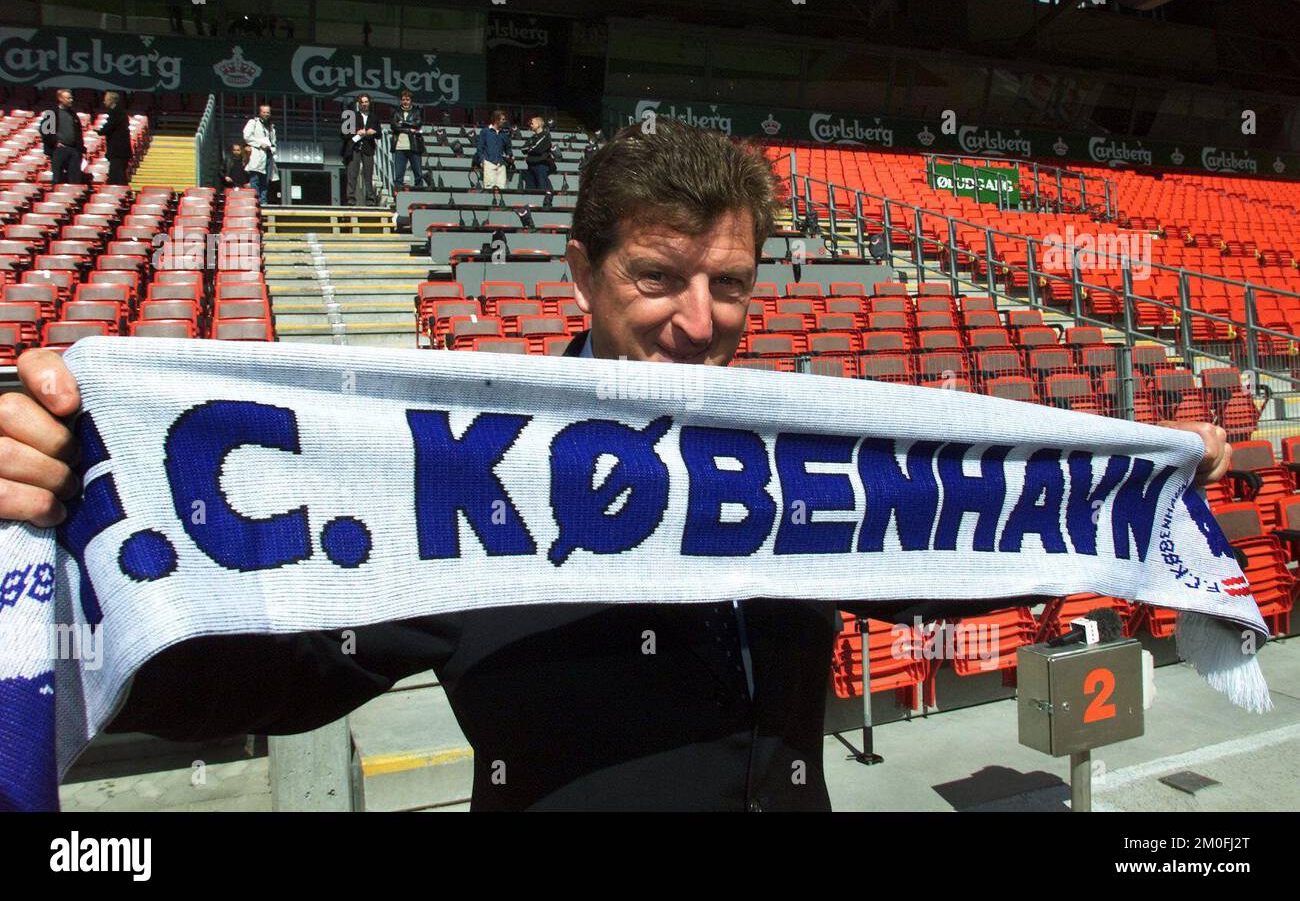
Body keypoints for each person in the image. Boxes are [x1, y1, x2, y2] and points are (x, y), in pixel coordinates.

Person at [0, 119, 1232, 812]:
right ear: (581, 275)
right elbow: (262, 689)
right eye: (658, 279)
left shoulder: (795, 445)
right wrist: (59, 525)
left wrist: (1137, 489)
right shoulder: (467, 469)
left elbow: (942, 556)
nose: (701, 322)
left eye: (733, 285)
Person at [341, 94, 379, 207]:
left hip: (368, 148)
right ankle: (351, 199)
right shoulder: (351, 116)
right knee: (352, 174)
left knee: (368, 175)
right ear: (359, 104)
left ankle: (370, 200)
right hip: (354, 148)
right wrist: (357, 132)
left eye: (366, 102)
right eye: (362, 102)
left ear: (369, 103)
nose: (364, 104)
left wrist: (373, 132)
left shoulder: (374, 117)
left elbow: (379, 134)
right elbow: (344, 134)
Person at [40, 88, 84, 184]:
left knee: (74, 177)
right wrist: (55, 142)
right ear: (60, 98)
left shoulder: (73, 115)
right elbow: (44, 130)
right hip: (59, 150)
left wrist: (80, 149)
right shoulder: (52, 113)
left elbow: (78, 133)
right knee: (58, 177)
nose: (71, 100)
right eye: (68, 98)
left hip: (74, 150)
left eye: (71, 98)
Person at [242, 103, 278, 205]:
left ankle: (264, 202)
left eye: (268, 112)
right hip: (257, 154)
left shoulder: (271, 127)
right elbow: (247, 136)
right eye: (264, 112)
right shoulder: (253, 122)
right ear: (259, 112)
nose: (266, 114)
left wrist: (272, 148)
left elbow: (274, 142)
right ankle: (255, 203)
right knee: (255, 179)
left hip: (268, 155)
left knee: (265, 181)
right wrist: (260, 144)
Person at [390, 90, 425, 191]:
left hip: (414, 146)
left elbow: (418, 124)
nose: (405, 102)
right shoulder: (396, 111)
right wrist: (409, 128)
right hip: (399, 147)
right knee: (399, 176)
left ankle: (419, 195)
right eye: (403, 99)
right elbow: (394, 126)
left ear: (411, 101)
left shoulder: (416, 111)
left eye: (408, 100)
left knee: (418, 175)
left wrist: (402, 123)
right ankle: (398, 196)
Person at [94, 91, 132, 185]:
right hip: (119, 152)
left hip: (118, 151)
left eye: (106, 99)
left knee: (118, 176)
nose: (104, 102)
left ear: (111, 100)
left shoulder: (117, 112)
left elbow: (110, 126)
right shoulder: (118, 112)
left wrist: (99, 131)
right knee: (115, 175)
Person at [476, 110, 512, 191]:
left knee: (502, 190)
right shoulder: (485, 132)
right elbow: (480, 148)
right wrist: (483, 161)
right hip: (489, 163)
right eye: (502, 119)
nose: (504, 121)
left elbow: (508, 148)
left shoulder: (504, 134)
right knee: (489, 189)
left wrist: (509, 155)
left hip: (501, 165)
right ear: (496, 119)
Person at [520, 115, 555, 192]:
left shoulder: (545, 136)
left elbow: (538, 149)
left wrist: (529, 148)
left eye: (532, 123)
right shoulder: (532, 138)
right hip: (530, 167)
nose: (530, 125)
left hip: (540, 167)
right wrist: (530, 148)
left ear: (538, 124)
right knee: (530, 190)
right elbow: (523, 149)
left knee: (542, 190)